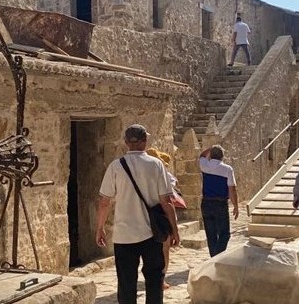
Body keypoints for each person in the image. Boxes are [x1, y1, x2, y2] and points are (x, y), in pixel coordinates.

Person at [95, 124, 180, 304]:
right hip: (152, 234)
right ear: (145, 141)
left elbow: (104, 201)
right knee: (155, 280)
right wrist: (174, 230)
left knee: (126, 283)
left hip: (124, 235)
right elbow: (166, 201)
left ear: (126, 142)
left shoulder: (115, 167)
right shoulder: (156, 165)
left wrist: (100, 227)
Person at [146, 148, 182, 291]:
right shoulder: (164, 176)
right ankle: (161, 279)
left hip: (144, 216)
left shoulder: (140, 174)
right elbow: (168, 201)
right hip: (160, 215)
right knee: (164, 248)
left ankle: (154, 278)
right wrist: (175, 229)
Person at [199, 145, 239, 257]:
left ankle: (213, 258)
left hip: (206, 203)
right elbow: (232, 189)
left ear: (211, 156)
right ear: (222, 157)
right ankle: (217, 258)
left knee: (211, 235)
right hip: (220, 204)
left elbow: (202, 155)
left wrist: (210, 148)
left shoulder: (204, 165)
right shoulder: (227, 169)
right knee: (224, 234)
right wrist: (235, 205)